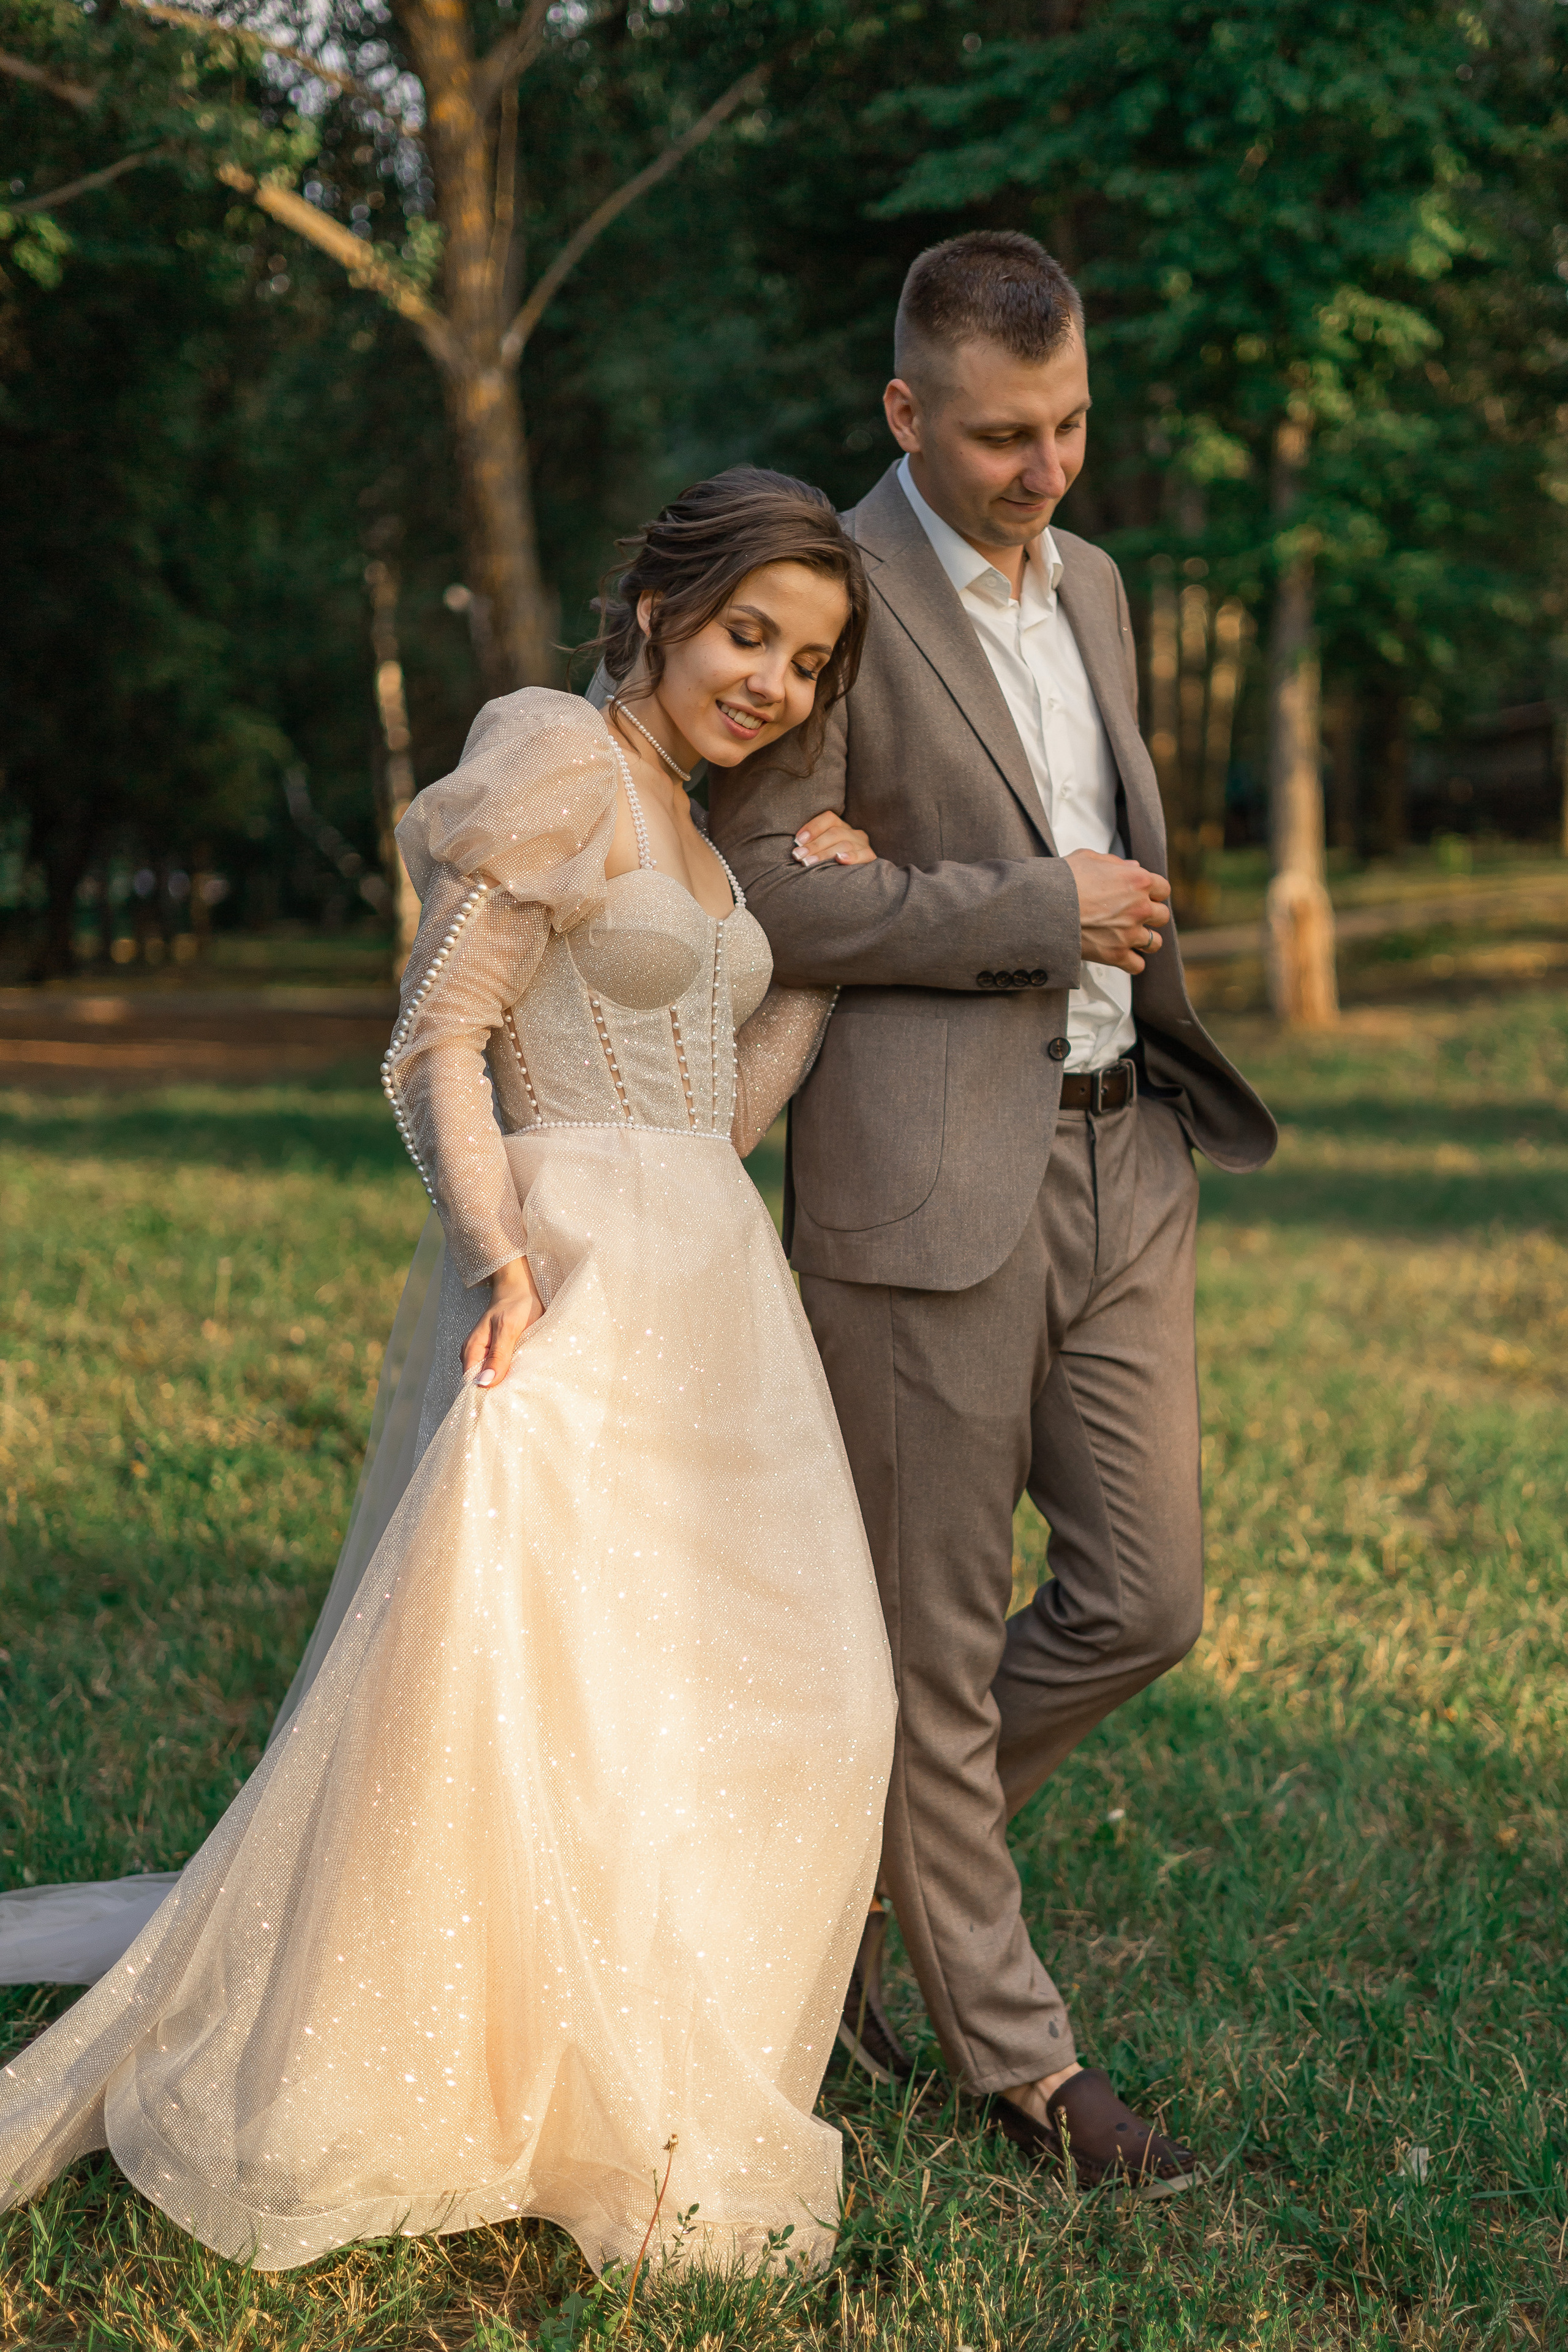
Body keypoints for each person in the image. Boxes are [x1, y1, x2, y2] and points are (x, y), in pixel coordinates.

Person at [0, 469, 897, 2275]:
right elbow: (438, 1039)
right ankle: (506, 2076)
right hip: (567, 1280)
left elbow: (714, 1120)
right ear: (659, 607)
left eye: (806, 665)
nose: (773, 686)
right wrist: (502, 1256)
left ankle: (660, 2038)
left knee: (807, 1692)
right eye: (749, 637)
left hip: (713, 1301)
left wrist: (813, 969)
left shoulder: (710, 846)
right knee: (527, 1685)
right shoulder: (558, 755)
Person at [710, 234, 1278, 2192]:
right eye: (1004, 436)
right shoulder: (828, 597)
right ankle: (1023, 2067)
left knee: (1147, 1594)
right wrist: (1026, 917)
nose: (1050, 470)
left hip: (1132, 1151)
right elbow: (762, 885)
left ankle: (863, 1880)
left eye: (1072, 426)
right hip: (922, 1174)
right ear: (904, 413)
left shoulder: (1102, 584)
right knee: (931, 1648)